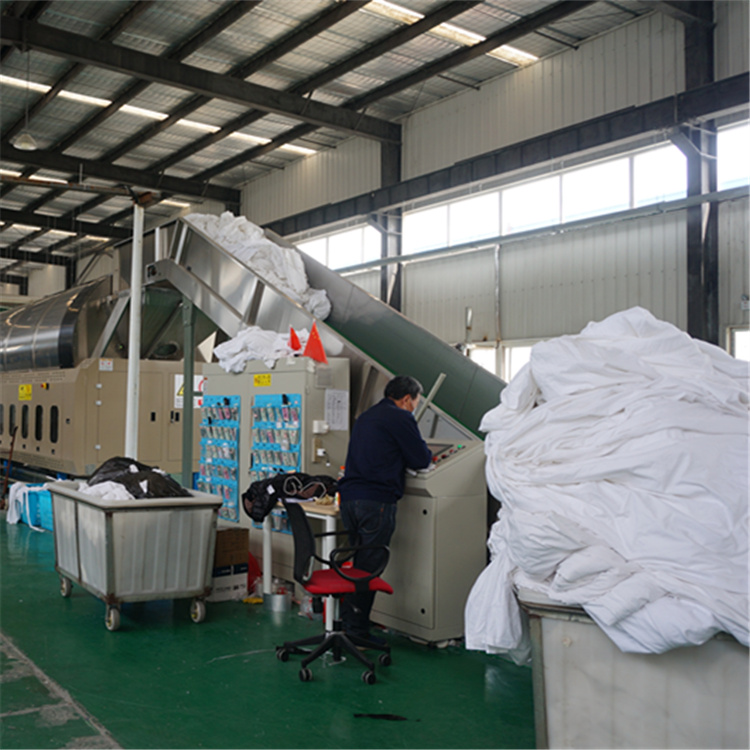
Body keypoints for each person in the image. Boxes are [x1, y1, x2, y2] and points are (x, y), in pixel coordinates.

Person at [337, 375, 433, 643]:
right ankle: (356, 632)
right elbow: (421, 459)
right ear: (407, 399)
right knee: (369, 567)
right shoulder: (400, 417)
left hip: (350, 500)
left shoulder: (367, 416)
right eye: (416, 401)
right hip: (375, 501)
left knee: (358, 564)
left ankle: (348, 623)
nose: (414, 406)